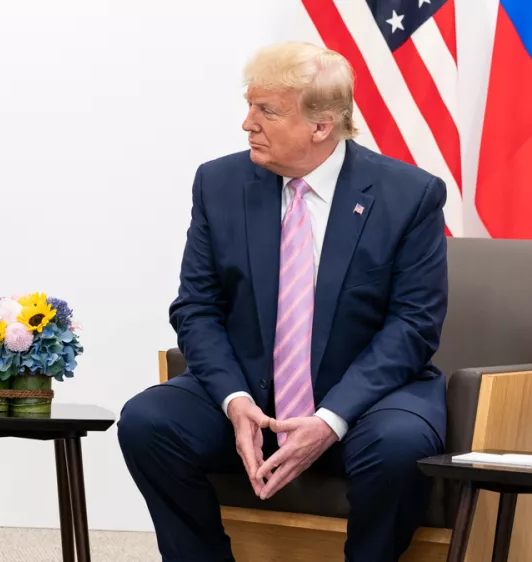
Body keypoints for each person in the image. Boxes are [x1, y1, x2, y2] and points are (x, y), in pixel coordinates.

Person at [118, 42, 448, 562]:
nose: (247, 123)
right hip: (253, 395)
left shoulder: (409, 194)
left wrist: (331, 418)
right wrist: (234, 400)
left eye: (266, 110)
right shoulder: (219, 183)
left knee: (401, 444)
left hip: (363, 403)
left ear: (322, 125)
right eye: (250, 105)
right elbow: (196, 308)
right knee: (147, 421)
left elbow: (413, 325)